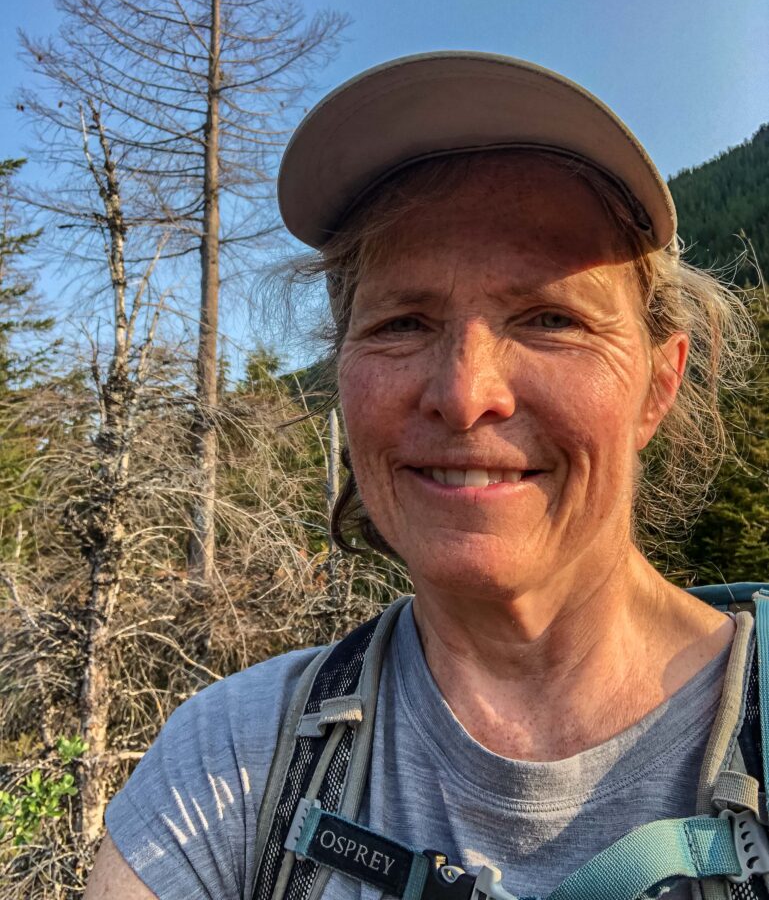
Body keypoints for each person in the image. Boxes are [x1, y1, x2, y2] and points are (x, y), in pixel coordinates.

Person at [85, 52, 762, 900]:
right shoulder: (232, 761)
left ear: (657, 383)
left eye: (549, 319)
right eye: (402, 322)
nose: (463, 394)